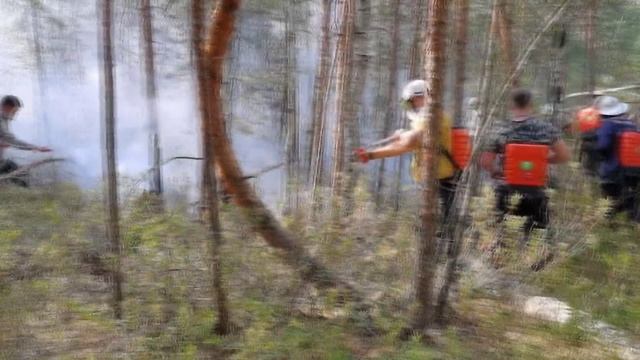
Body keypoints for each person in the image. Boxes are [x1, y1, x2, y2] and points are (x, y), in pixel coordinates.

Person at [480, 89, 571, 270]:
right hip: (536, 192)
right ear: (530, 105)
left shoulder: (501, 129)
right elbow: (564, 155)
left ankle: (497, 273)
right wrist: (544, 160)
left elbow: (486, 161)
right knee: (537, 237)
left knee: (500, 236)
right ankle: (533, 271)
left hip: (506, 191)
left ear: (512, 106)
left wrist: (497, 172)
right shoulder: (546, 129)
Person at [354, 79, 460, 223]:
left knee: (441, 230)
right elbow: (403, 146)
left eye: (412, 102)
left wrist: (403, 135)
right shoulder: (427, 120)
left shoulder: (435, 118)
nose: (411, 107)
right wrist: (371, 155)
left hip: (441, 184)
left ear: (421, 97)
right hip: (433, 182)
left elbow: (410, 140)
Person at [593, 96, 640, 222]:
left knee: (610, 201)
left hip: (612, 170)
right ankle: (632, 225)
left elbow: (603, 146)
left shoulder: (607, 125)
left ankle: (608, 228)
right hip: (633, 171)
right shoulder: (631, 124)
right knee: (630, 199)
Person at [0, 95, 52, 186]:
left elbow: (9, 140)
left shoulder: (4, 120)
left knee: (19, 174)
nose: (15, 114)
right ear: (7, 107)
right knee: (18, 175)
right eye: (14, 111)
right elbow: (13, 141)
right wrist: (35, 148)